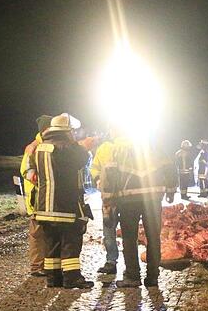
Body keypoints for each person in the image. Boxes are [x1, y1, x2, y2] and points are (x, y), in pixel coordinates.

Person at [26, 113, 93, 288]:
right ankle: (72, 278)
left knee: (52, 244)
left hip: (44, 207)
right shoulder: (67, 148)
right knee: (71, 241)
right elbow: (81, 159)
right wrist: (82, 146)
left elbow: (30, 167)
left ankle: (53, 279)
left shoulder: (40, 148)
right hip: (65, 206)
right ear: (67, 131)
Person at [107, 134, 169, 288]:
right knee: (153, 237)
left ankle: (133, 276)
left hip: (129, 199)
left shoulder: (119, 148)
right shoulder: (157, 147)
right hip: (153, 198)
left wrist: (110, 197)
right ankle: (153, 276)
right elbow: (170, 168)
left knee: (129, 238)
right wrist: (171, 190)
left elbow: (111, 173)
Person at [90, 128, 128, 278]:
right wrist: (98, 179)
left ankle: (129, 264)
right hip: (109, 197)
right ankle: (111, 261)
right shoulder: (104, 148)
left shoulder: (130, 146)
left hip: (125, 196)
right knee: (109, 229)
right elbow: (95, 168)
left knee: (127, 231)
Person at [21, 115, 53, 277]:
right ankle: (36, 266)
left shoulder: (45, 145)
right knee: (37, 234)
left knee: (47, 233)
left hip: (46, 198)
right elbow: (27, 172)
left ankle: (46, 264)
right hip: (37, 199)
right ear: (45, 129)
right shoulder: (33, 148)